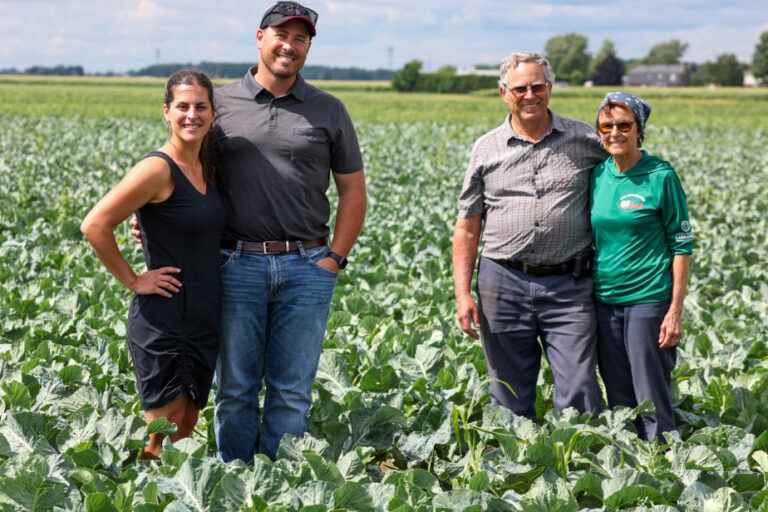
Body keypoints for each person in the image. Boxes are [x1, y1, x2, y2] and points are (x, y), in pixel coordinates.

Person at [210, 1, 366, 462]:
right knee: (235, 388)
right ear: (260, 38)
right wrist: (153, 223)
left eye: (301, 39)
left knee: (292, 389)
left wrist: (334, 258)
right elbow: (180, 174)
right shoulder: (219, 103)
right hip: (236, 263)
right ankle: (234, 480)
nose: (290, 45)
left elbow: (353, 192)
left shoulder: (329, 110)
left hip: (306, 266)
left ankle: (284, 488)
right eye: (282, 34)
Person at [82, 70, 227, 459]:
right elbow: (95, 225)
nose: (191, 115)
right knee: (159, 434)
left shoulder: (207, 169)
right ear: (166, 112)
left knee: (186, 428)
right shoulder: (158, 168)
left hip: (203, 318)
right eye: (182, 106)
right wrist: (133, 279)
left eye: (200, 106)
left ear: (213, 113)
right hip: (163, 318)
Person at [452, 52, 604, 419]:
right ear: (504, 93)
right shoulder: (486, 148)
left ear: (550, 89)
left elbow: (625, 179)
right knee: (507, 388)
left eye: (538, 87)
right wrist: (462, 293)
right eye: (520, 88)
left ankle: (581, 466)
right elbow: (468, 224)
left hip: (569, 284)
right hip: (502, 283)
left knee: (579, 384)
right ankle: (515, 471)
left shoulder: (586, 140)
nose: (530, 95)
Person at [591, 92, 693, 441]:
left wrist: (675, 310)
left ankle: (662, 458)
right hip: (604, 299)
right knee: (617, 388)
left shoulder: (660, 176)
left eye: (623, 125)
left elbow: (682, 245)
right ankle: (629, 455)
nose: (614, 133)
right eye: (606, 126)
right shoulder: (598, 175)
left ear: (639, 130)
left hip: (648, 300)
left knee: (649, 387)